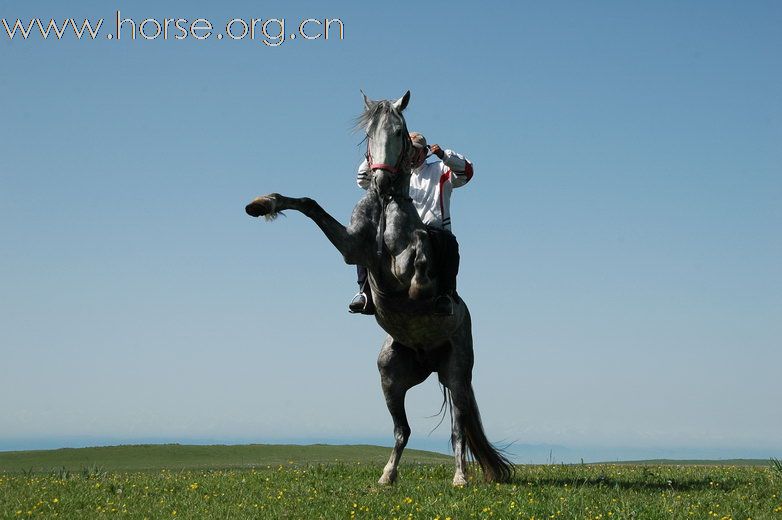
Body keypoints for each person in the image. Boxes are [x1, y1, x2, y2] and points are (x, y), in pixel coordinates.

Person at [349, 131, 474, 316]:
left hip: (434, 230)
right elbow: (362, 180)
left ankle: (446, 295)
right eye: (407, 150)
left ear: (425, 151)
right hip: (399, 234)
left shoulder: (440, 169)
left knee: (449, 244)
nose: (411, 155)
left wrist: (444, 155)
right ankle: (364, 293)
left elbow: (467, 171)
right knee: (368, 242)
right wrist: (376, 155)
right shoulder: (396, 175)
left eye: (415, 150)